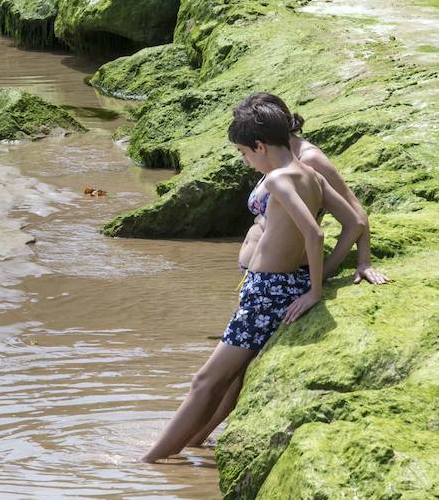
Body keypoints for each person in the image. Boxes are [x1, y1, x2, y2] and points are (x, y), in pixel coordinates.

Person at [141, 101, 368, 463]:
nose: (246, 161)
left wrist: (315, 290)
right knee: (223, 382)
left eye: (244, 154)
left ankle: (147, 464)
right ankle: (186, 449)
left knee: (205, 381)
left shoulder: (278, 179)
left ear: (260, 146)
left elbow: (315, 234)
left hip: (267, 293)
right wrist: (311, 279)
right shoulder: (311, 175)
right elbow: (354, 223)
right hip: (278, 287)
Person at [237, 92, 389, 287]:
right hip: (261, 276)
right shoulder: (273, 158)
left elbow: (356, 216)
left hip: (287, 274)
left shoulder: (309, 159)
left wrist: (362, 263)